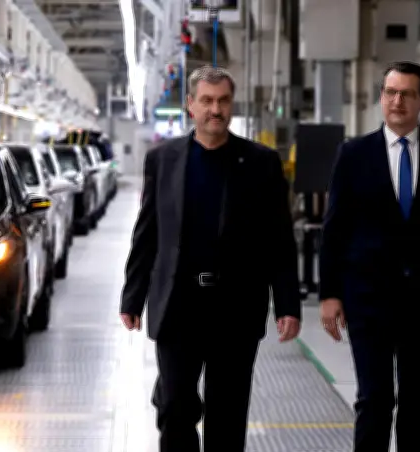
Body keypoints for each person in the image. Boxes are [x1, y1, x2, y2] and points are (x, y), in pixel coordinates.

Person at [119, 65, 302, 452]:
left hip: (236, 306)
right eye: (206, 101)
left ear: (231, 104)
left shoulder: (261, 163)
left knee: (228, 414)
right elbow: (148, 233)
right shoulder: (163, 159)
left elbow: (279, 240)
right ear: (190, 105)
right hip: (177, 305)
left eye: (222, 101)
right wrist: (132, 297)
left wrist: (287, 304)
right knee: (174, 408)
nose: (215, 110)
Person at [318, 61, 420, 452]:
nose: (397, 101)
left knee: (418, 404)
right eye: (391, 93)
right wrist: (330, 293)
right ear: (381, 98)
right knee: (374, 400)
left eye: (407, 94)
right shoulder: (353, 154)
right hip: (368, 299)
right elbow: (335, 229)